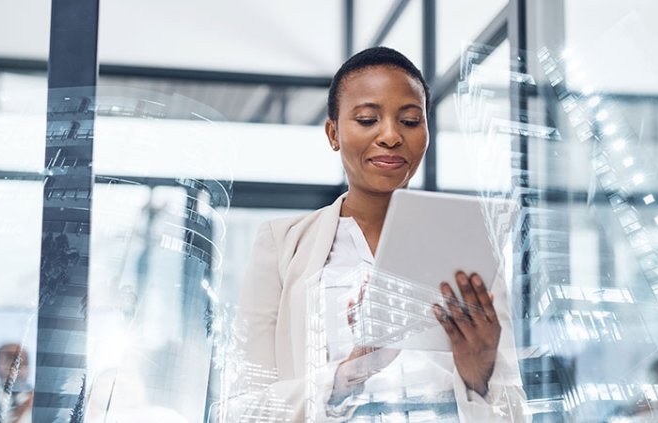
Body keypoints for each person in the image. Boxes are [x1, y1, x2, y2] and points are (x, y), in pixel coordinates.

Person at [222, 46, 527, 422]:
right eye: (367, 119)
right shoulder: (282, 244)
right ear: (333, 133)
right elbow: (240, 410)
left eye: (411, 121)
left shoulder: (470, 249)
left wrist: (479, 380)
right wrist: (345, 376)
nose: (391, 135)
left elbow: (514, 412)